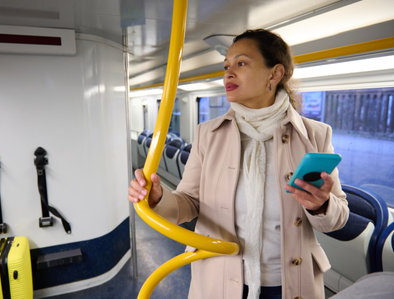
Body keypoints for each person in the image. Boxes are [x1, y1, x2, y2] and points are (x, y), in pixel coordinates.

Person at [128, 29, 349, 299]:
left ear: (275, 74)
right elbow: (188, 202)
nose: (228, 73)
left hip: (291, 282)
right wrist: (159, 199)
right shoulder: (208, 134)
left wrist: (321, 205)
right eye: (226, 66)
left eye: (241, 63)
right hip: (219, 277)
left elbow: (338, 219)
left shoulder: (315, 135)